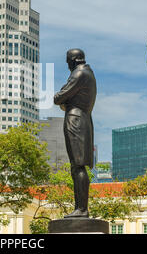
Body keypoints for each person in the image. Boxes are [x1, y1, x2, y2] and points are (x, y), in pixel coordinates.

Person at [54, 49, 97, 218]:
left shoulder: (79, 73)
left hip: (75, 120)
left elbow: (58, 97)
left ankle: (81, 209)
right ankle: (80, 208)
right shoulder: (89, 73)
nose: (67, 65)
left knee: (77, 165)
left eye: (67, 61)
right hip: (83, 119)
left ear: (73, 60)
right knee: (77, 166)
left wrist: (64, 101)